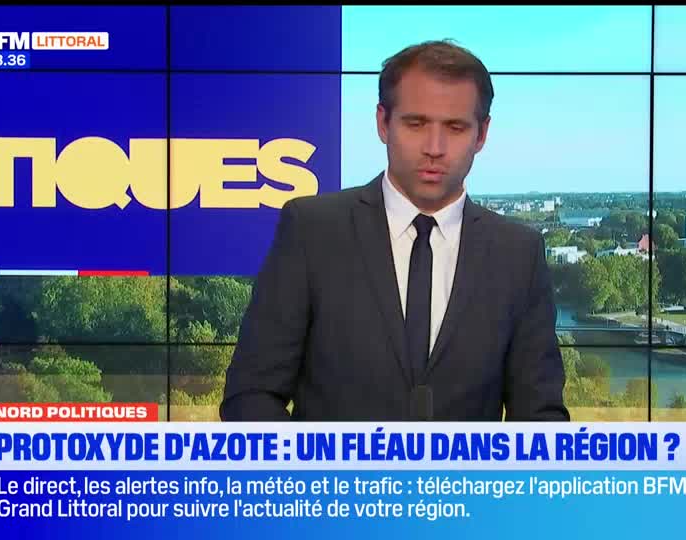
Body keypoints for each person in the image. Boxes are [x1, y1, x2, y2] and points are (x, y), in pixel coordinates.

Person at [220, 40, 568, 422]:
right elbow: (251, 395)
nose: (434, 147)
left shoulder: (518, 254)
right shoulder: (311, 231)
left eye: (455, 127)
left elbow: (541, 420)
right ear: (383, 123)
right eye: (416, 124)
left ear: (481, 134)